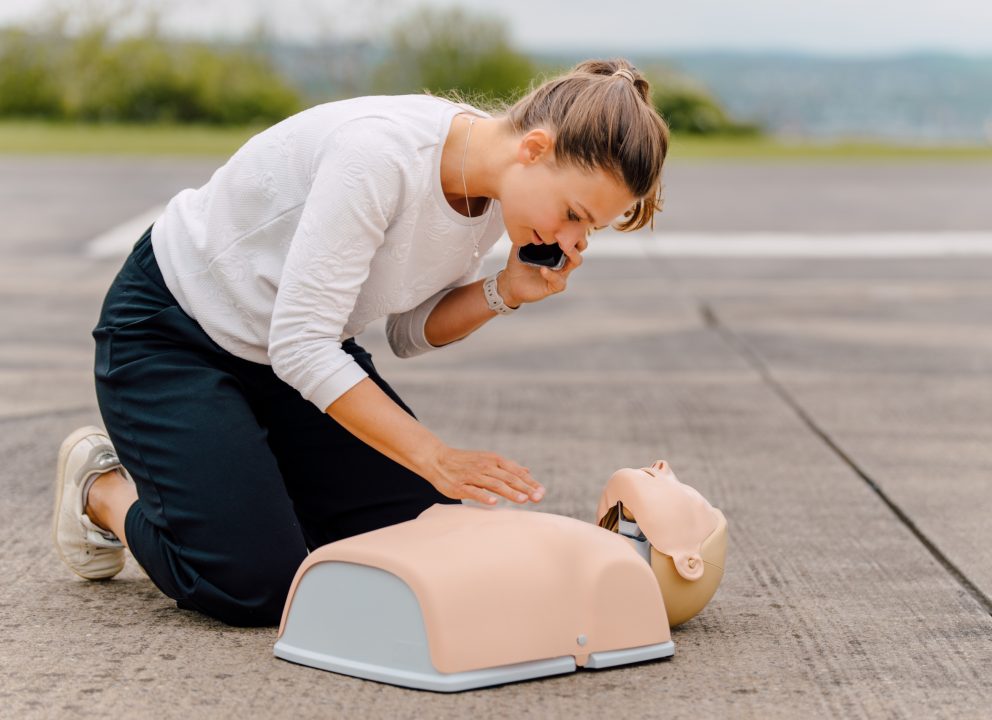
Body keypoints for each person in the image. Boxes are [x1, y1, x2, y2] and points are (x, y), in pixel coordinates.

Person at [52, 58, 670, 626]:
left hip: (285, 354)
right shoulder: (381, 154)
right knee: (255, 584)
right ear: (535, 149)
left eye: (587, 229)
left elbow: (406, 331)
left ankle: (242, 479)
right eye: (575, 214)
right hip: (174, 333)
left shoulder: (494, 193)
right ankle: (103, 490)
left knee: (416, 535)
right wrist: (435, 455)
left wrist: (503, 289)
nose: (572, 240)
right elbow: (303, 345)